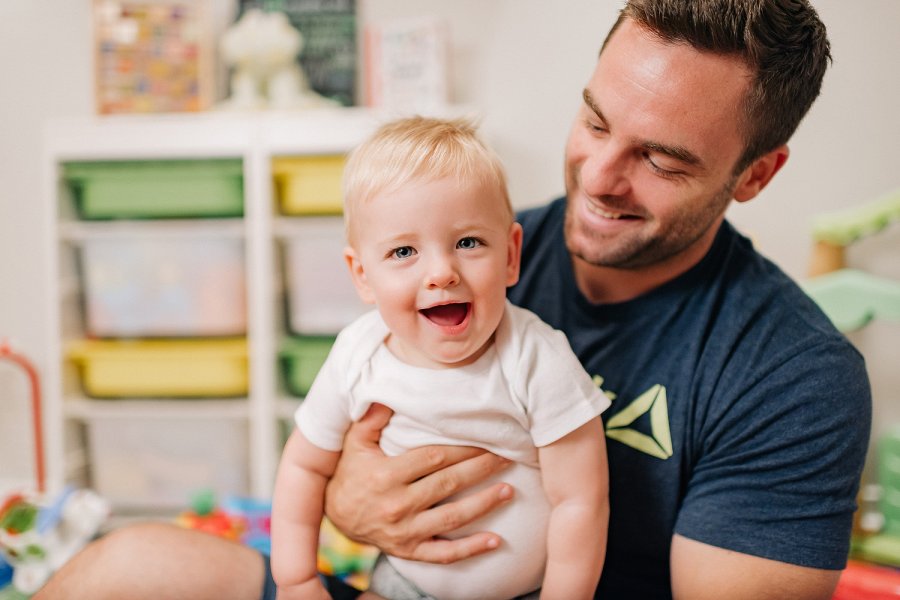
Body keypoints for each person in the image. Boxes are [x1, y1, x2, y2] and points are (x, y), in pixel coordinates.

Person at [35, 1, 871, 599]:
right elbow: (325, 457)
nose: (599, 176)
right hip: (397, 584)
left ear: (755, 173)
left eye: (661, 159)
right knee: (124, 568)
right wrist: (347, 503)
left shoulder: (792, 376)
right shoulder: (471, 247)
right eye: (594, 121)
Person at [272, 116, 609, 600]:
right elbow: (304, 467)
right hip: (403, 586)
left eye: (468, 243)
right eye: (404, 251)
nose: (441, 273)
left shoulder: (535, 358)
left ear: (511, 255)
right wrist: (297, 579)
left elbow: (581, 500)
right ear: (361, 274)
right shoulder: (357, 355)